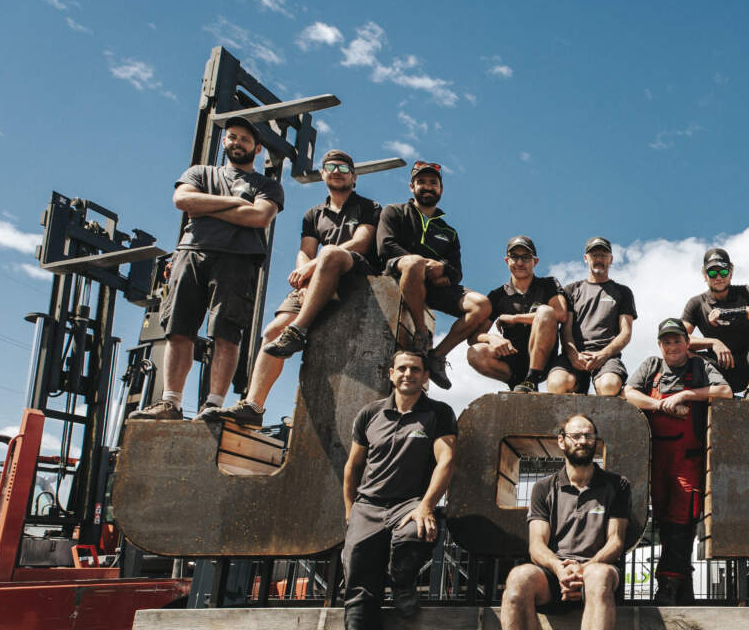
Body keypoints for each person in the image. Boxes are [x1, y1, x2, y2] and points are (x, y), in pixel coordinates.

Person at [131, 115, 284, 421]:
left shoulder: (267, 185)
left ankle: (213, 405)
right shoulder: (199, 172)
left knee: (227, 333)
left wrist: (206, 206)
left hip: (237, 259)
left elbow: (259, 218)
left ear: (256, 149)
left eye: (244, 139)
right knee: (178, 330)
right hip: (191, 253)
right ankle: (170, 403)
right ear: (224, 141)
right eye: (232, 137)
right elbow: (182, 200)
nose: (237, 142)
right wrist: (235, 204)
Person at [217, 150, 380, 426]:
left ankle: (299, 329)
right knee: (271, 332)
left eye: (343, 167)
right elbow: (305, 252)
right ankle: (253, 406)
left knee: (329, 253)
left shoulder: (368, 207)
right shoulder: (313, 214)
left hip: (352, 275)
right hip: (317, 276)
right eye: (330, 166)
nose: (337, 170)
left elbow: (361, 242)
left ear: (354, 177)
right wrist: (305, 276)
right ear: (324, 174)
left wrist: (313, 265)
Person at [339, 348, 457, 630]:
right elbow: (353, 467)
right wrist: (351, 512)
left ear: (425, 376)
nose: (408, 374)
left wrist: (425, 506)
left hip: (410, 504)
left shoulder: (438, 413)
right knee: (358, 594)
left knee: (413, 538)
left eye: (416, 370)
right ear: (391, 374)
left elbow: (447, 460)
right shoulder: (370, 414)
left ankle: (403, 584)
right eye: (402, 368)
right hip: (368, 507)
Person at [497, 413, 632, 630]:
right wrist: (560, 570)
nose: (582, 441)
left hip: (597, 570)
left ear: (595, 442)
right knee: (517, 580)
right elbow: (536, 545)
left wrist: (583, 571)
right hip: (555, 573)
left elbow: (615, 541)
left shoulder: (617, 485)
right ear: (562, 442)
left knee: (599, 577)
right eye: (575, 436)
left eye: (588, 436)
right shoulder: (544, 488)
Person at [624, 319, 732, 603]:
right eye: (666, 342)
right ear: (660, 345)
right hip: (655, 458)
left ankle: (668, 587)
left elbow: (724, 391)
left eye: (677, 341)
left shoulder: (700, 366)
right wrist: (661, 405)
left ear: (687, 343)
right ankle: (681, 590)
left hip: (687, 460)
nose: (672, 346)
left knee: (681, 523)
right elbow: (629, 393)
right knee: (662, 522)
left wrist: (686, 394)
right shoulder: (650, 366)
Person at [375, 160, 491, 390]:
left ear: (441, 189)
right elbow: (385, 246)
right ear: (411, 187)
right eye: (421, 182)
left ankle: (436, 355)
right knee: (414, 263)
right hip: (399, 277)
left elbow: (456, 272)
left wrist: (443, 269)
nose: (427, 187)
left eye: (432, 183)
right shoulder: (394, 211)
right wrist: (424, 265)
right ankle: (421, 333)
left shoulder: (449, 232)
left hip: (433, 289)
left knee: (483, 305)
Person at [467, 236, 568, 392]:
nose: (520, 263)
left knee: (546, 311)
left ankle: (531, 379)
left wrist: (515, 318)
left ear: (535, 261)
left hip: (545, 359)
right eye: (515, 257)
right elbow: (473, 337)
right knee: (475, 353)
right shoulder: (497, 295)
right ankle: (517, 383)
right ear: (507, 260)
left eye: (526, 257)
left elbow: (561, 314)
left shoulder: (548, 285)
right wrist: (491, 338)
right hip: (512, 359)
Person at [680, 247, 749, 401]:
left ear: (731, 272)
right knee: (678, 349)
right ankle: (698, 395)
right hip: (718, 369)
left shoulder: (746, 292)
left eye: (723, 272)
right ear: (705, 276)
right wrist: (713, 342)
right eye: (712, 273)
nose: (718, 277)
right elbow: (680, 337)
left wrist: (732, 312)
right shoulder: (696, 303)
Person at [547, 237, 637, 396]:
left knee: (609, 386)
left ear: (611, 259)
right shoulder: (571, 290)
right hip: (575, 355)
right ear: (586, 259)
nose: (599, 259)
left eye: (603, 255)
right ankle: (578, 389)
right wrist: (573, 354)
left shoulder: (623, 292)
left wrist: (604, 354)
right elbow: (565, 330)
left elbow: (626, 332)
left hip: (607, 356)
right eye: (594, 255)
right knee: (556, 384)